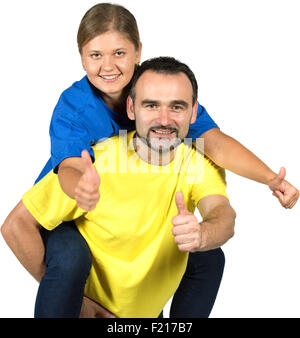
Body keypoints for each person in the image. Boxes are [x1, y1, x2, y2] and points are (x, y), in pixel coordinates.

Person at [1, 3, 299, 317]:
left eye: (119, 53)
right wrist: (82, 190)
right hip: (68, 211)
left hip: (126, 212)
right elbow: (71, 167)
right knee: (72, 256)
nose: (108, 66)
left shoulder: (158, 92)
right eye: (95, 55)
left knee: (208, 255)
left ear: (138, 51)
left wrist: (270, 178)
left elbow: (214, 144)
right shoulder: (75, 108)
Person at [1, 57, 236, 318]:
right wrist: (80, 304)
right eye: (151, 105)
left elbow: (223, 215)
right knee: (69, 254)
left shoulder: (197, 163)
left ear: (193, 113)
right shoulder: (96, 161)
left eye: (177, 107)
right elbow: (15, 226)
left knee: (210, 257)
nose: (164, 119)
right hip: (89, 310)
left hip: (140, 312)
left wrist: (202, 234)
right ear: (131, 109)